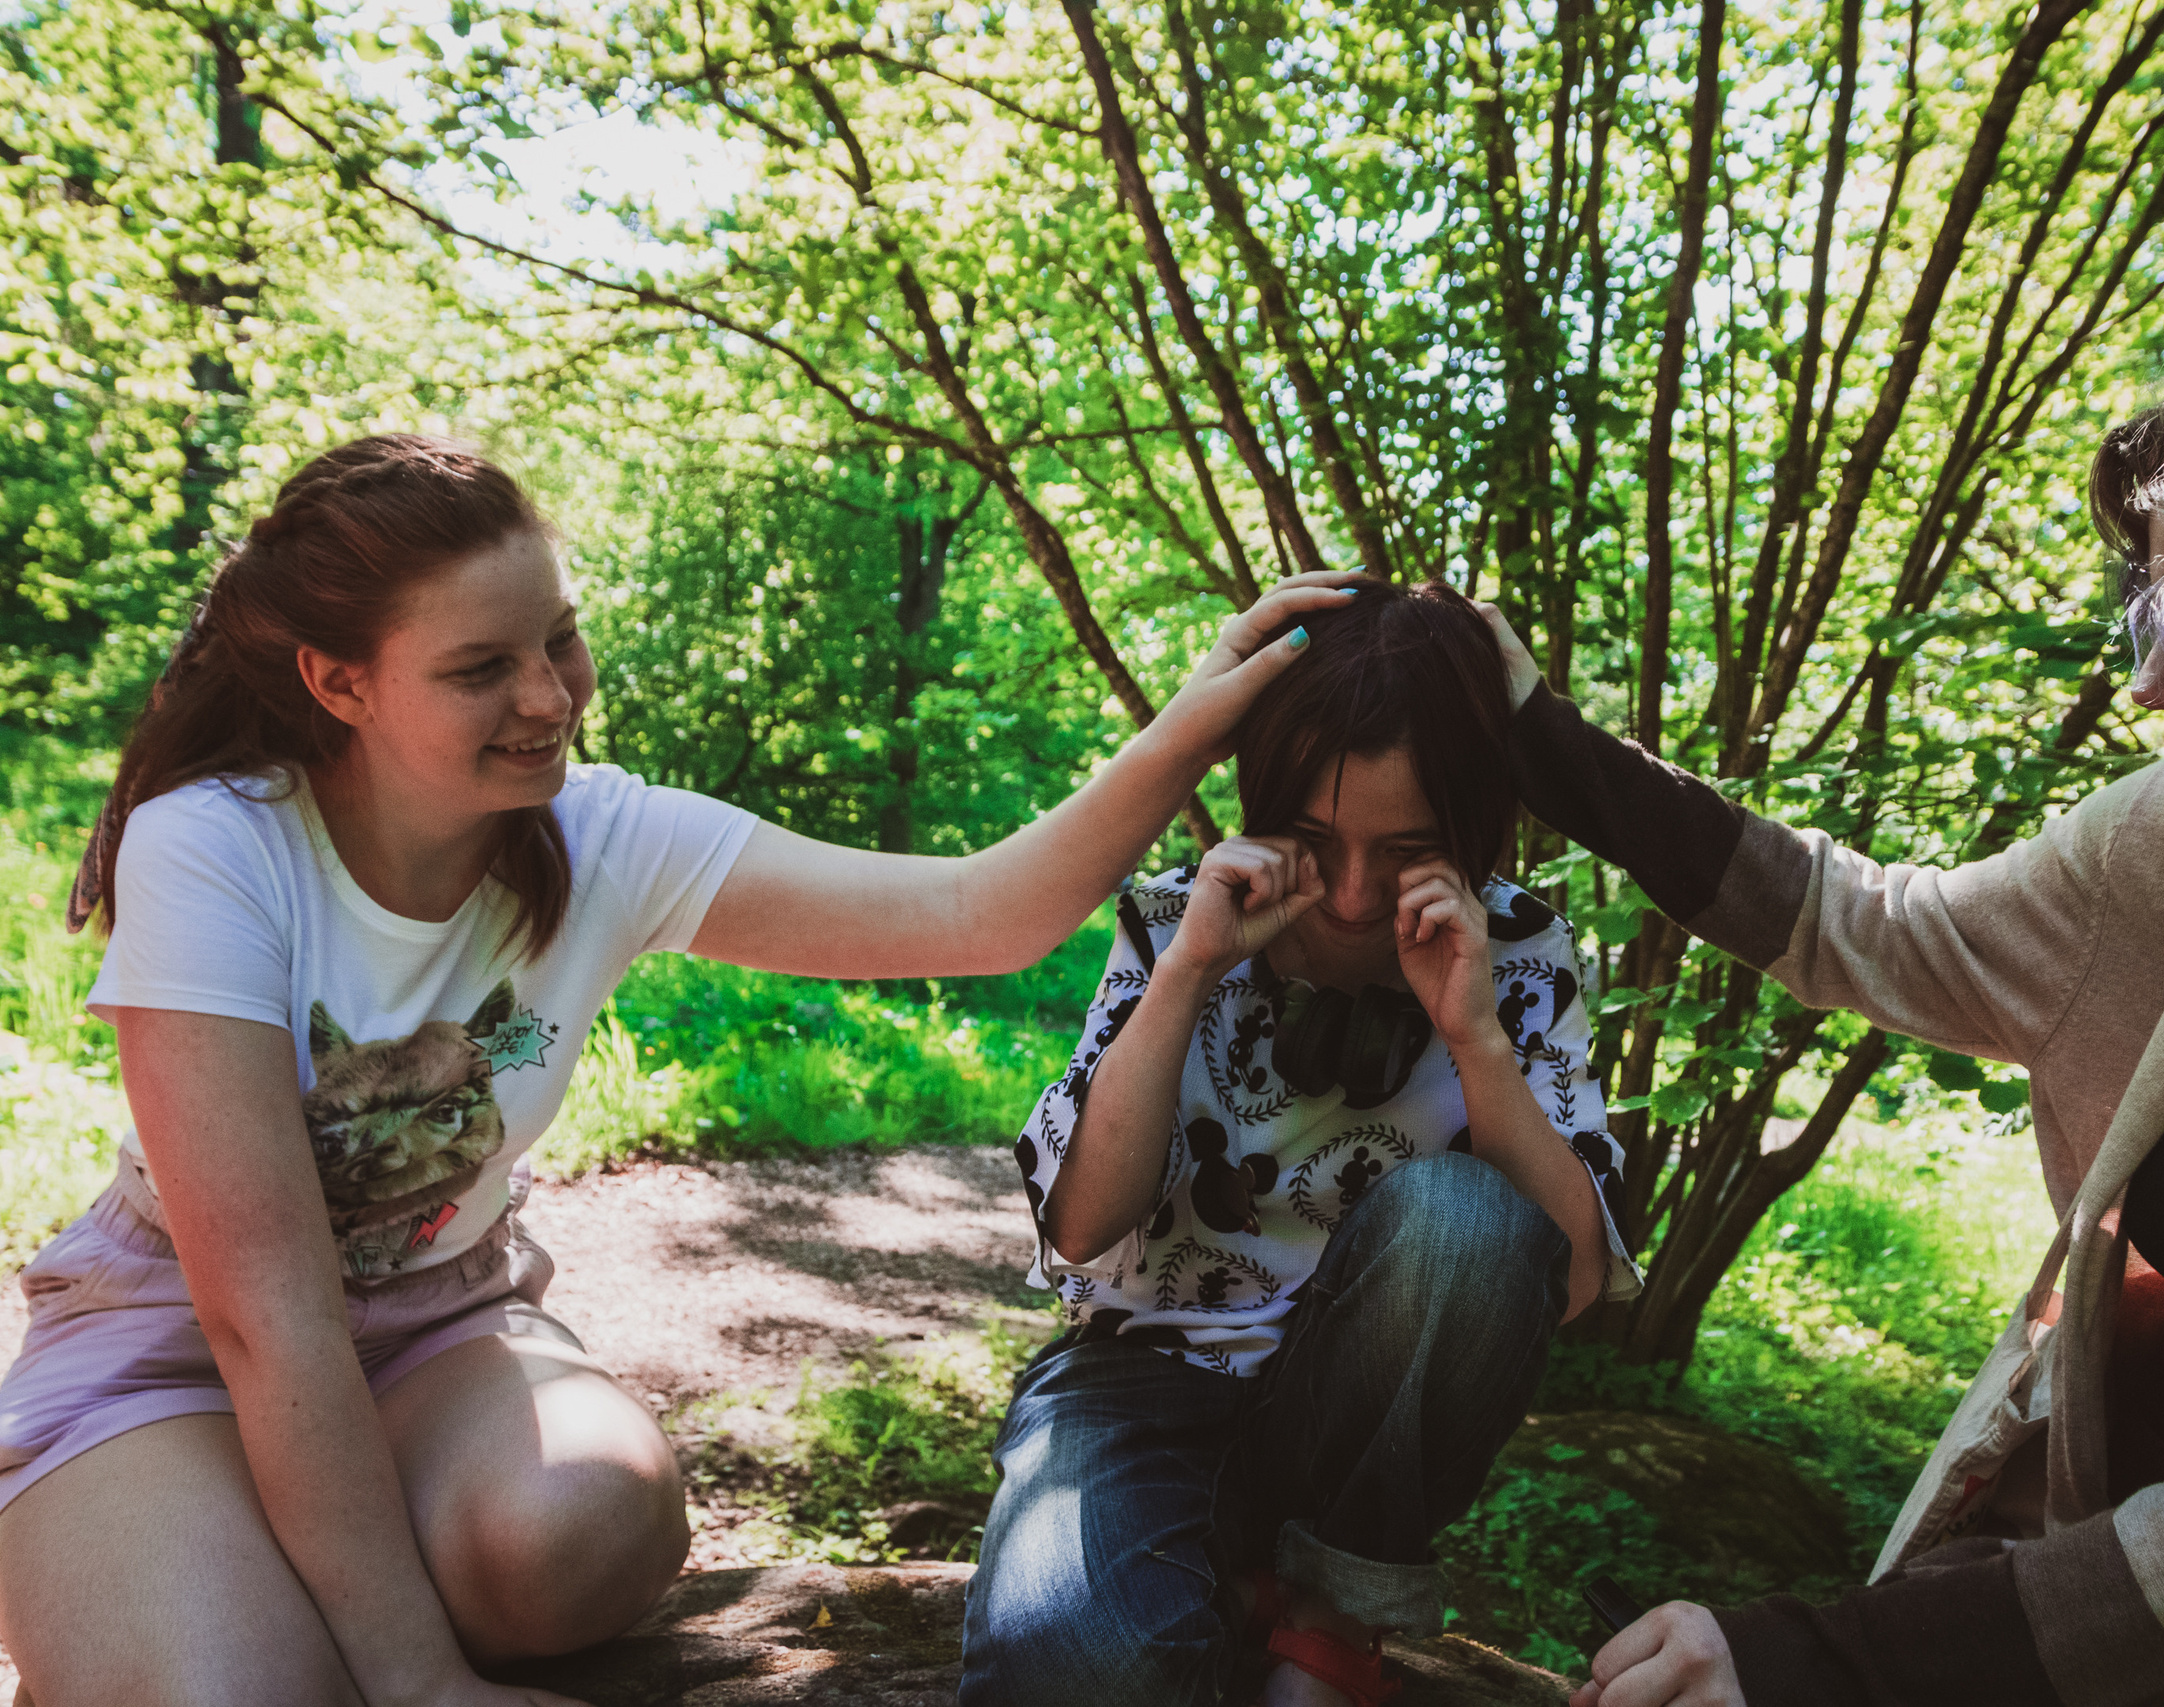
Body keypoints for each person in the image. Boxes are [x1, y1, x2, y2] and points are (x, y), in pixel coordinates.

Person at [0, 433, 1357, 1707]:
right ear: (339, 682)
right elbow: (267, 1314)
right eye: (481, 668)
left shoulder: (603, 835)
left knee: (584, 1528)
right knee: (238, 1688)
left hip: (435, 1327)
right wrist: (419, 1679)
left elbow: (974, 912)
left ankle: (286, 1569)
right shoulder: (215, 848)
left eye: (560, 639)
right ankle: (183, 1549)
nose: (548, 697)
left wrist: (1194, 719)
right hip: (181, 1341)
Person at [1496, 274, 2164, 1707]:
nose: (2152, 694)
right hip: (2080, 1573)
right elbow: (1874, 927)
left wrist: (1831, 1663)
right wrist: (1531, 736)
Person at [961, 577, 1645, 1707]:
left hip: (1348, 1430)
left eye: (1407, 848)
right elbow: (1081, 1228)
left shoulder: (1519, 950)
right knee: (1083, 1667)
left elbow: (1562, 1282)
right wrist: (1187, 971)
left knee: (1467, 1223)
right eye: (1318, 844)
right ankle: (1229, 1594)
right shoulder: (1180, 918)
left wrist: (1471, 1032)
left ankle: (1332, 1617)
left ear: (1471, 827)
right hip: (1134, 1388)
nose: (1354, 895)